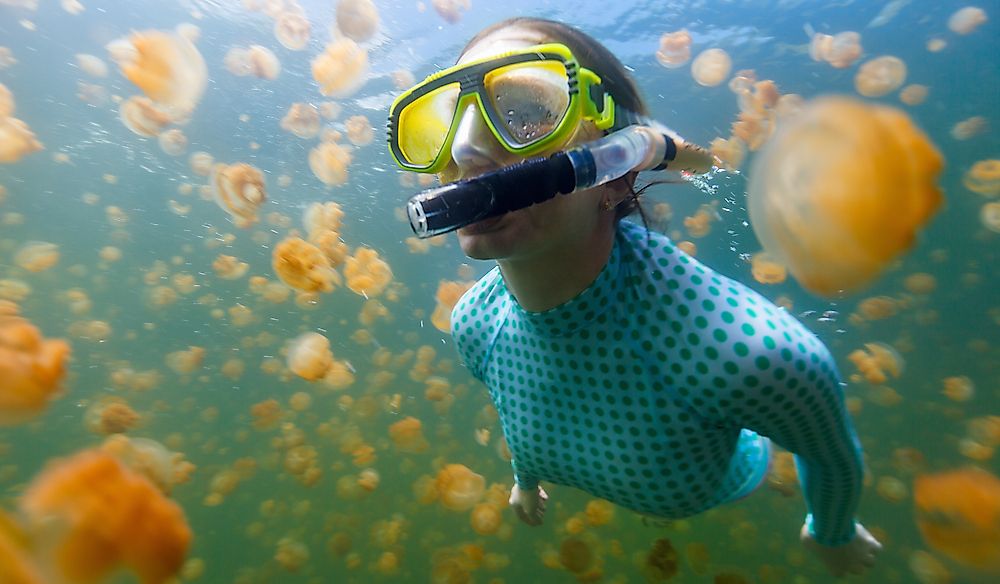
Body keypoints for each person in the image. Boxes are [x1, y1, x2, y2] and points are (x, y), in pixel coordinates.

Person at [388, 17, 882, 577]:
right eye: (446, 119)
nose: (465, 148)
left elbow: (829, 456)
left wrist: (832, 531)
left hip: (736, 484)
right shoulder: (475, 324)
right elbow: (517, 409)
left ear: (618, 169)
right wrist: (525, 483)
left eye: (525, 112)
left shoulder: (749, 355)